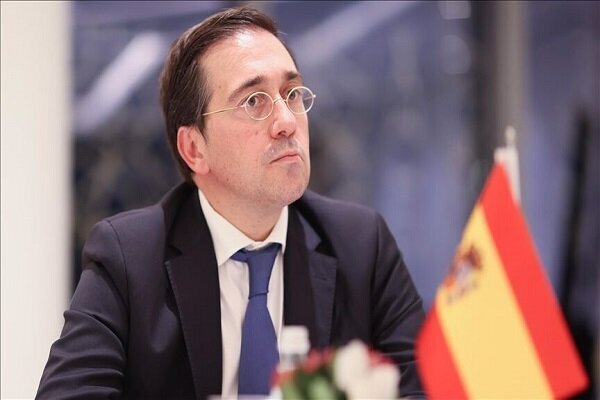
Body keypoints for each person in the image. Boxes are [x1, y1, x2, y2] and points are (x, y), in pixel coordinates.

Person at [37, 6, 425, 399]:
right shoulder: (129, 258)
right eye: (254, 101)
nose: (287, 121)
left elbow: (424, 388)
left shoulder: (362, 244)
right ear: (194, 148)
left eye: (292, 94)